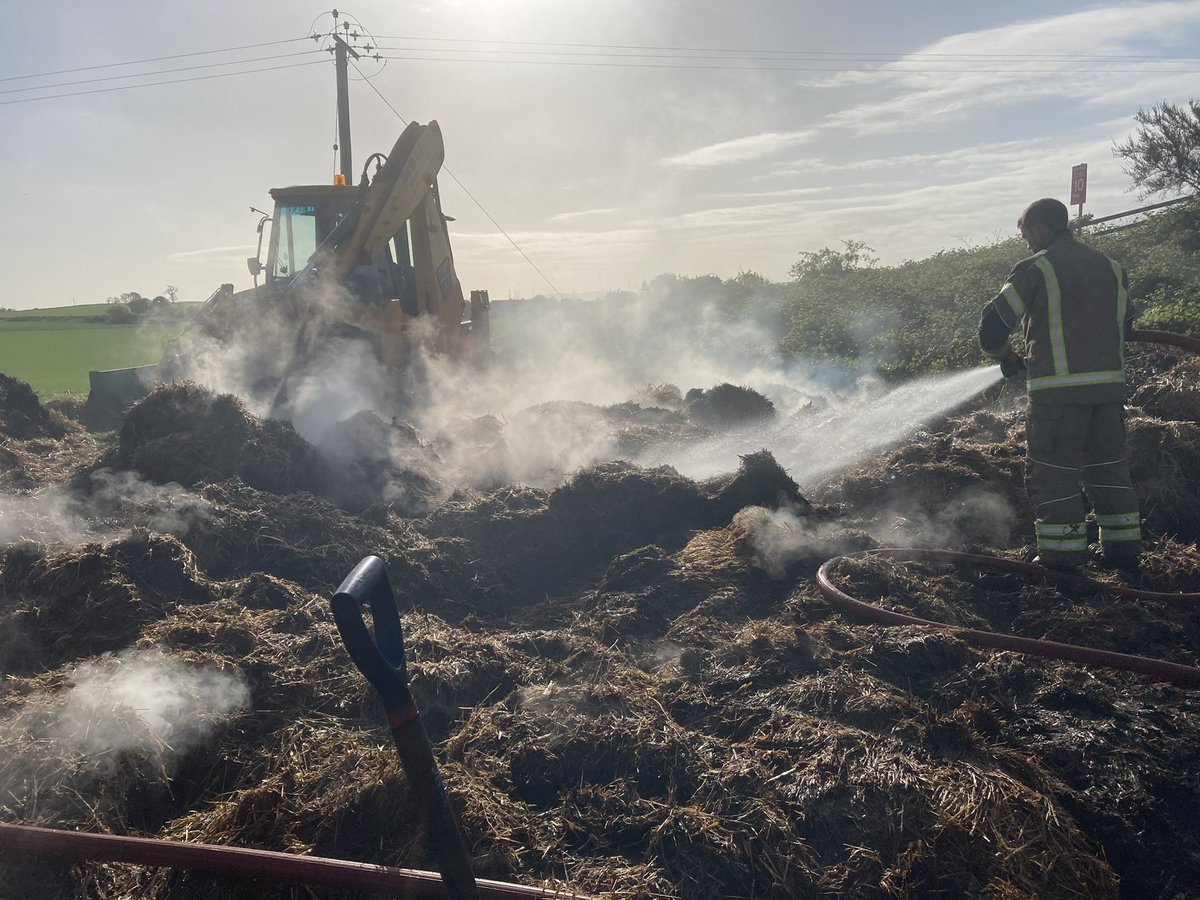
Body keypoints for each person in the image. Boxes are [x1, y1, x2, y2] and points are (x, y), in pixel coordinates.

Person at [979, 197, 1141, 572]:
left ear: (1039, 228)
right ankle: (1123, 553)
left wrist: (1006, 356)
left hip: (1058, 396)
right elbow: (1127, 324)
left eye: (1025, 235)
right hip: (1109, 394)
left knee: (1054, 473)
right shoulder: (1112, 267)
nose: (1027, 243)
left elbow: (992, 329)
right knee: (1110, 469)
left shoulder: (1036, 268)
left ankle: (1062, 558)